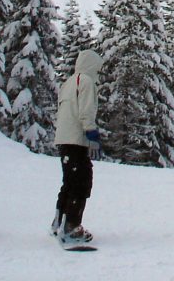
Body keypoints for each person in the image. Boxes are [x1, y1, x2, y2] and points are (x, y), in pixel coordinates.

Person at [52, 49, 104, 242]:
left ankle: (59, 222)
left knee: (69, 181)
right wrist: (92, 133)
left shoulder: (69, 82)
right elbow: (86, 110)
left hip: (64, 139)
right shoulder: (87, 82)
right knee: (81, 182)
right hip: (76, 139)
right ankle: (72, 227)